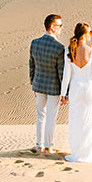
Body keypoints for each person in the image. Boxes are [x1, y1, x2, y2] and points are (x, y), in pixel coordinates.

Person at [59, 22, 92, 163]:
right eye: (90, 32)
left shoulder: (69, 50)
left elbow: (66, 75)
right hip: (90, 89)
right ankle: (87, 154)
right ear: (84, 35)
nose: (91, 35)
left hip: (76, 89)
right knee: (88, 122)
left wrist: (63, 93)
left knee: (75, 122)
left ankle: (76, 154)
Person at [29, 13, 65, 154]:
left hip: (38, 85)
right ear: (52, 27)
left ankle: (39, 145)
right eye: (60, 25)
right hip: (53, 88)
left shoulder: (34, 43)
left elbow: (32, 66)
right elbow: (61, 72)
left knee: (40, 116)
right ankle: (49, 146)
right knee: (51, 117)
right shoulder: (59, 47)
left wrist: (33, 84)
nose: (62, 28)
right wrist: (64, 92)